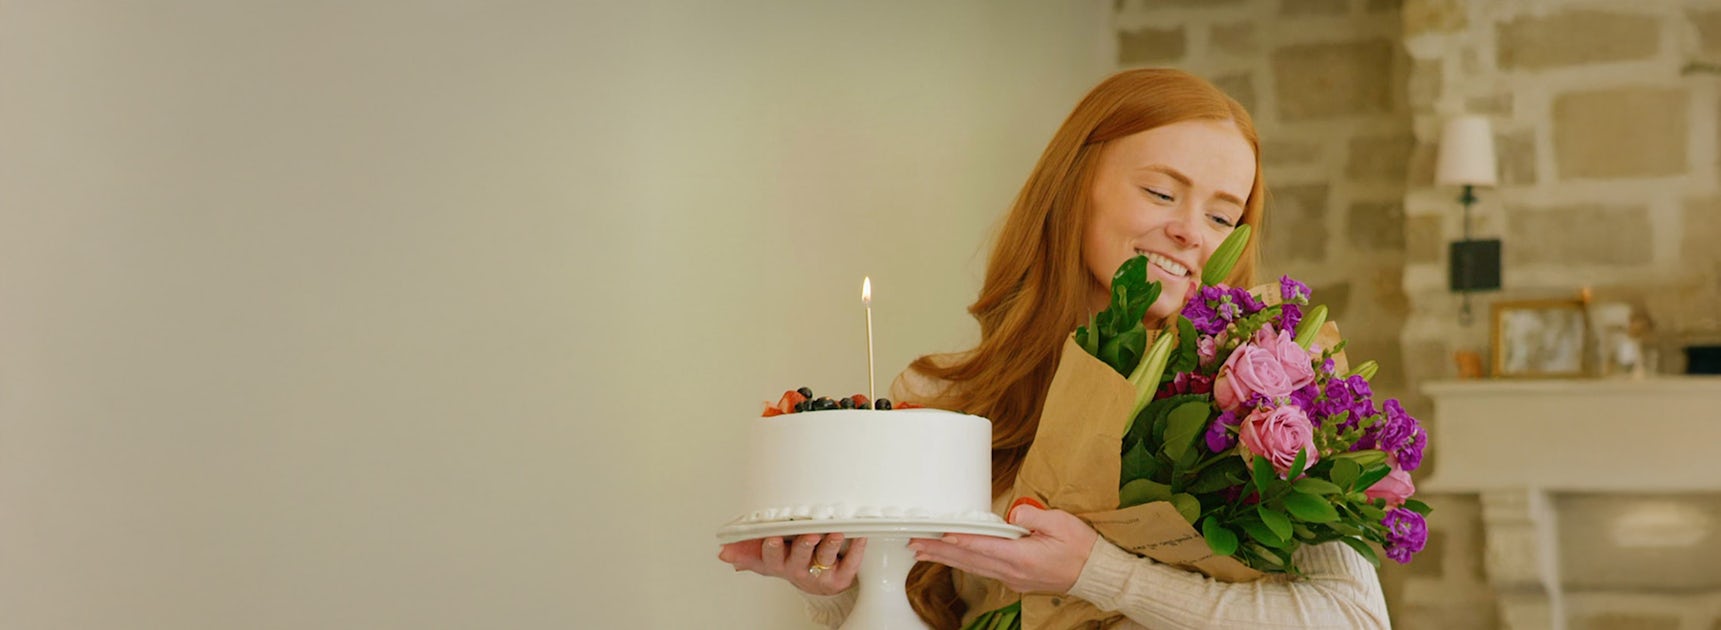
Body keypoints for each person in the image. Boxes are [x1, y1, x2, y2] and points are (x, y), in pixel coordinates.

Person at [718, 68, 1390, 629]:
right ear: (1074, 187)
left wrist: (1094, 574)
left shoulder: (1264, 407)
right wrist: (830, 586)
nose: (1190, 232)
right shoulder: (952, 405)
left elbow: (1353, 619)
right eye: (1160, 191)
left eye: (1221, 216)